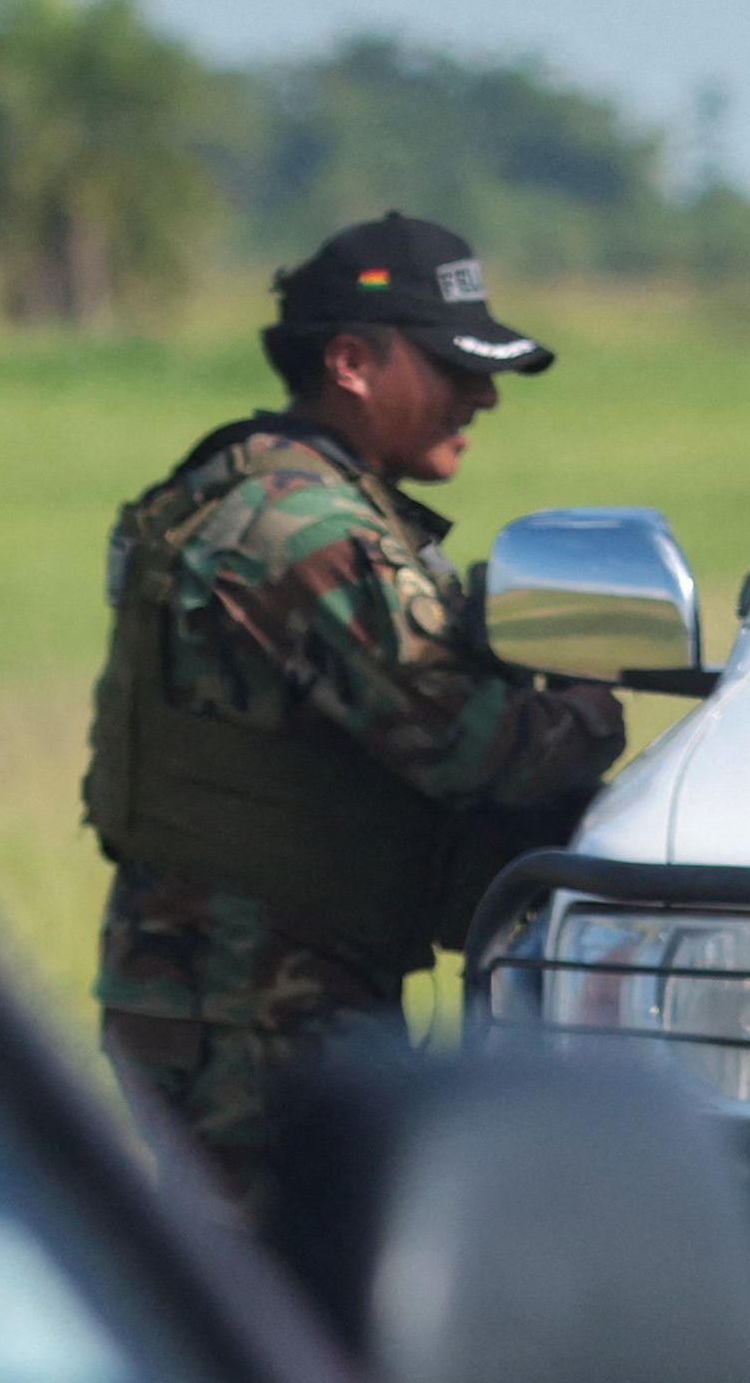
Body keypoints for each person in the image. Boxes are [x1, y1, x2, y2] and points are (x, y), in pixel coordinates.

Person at [86, 214, 626, 1222]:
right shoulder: (307, 527)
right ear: (350, 362)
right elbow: (474, 750)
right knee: (280, 1323)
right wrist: (591, 714)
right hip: (252, 1009)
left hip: (245, 992)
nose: (483, 394)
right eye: (453, 365)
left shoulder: (278, 491)